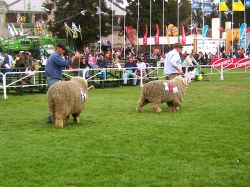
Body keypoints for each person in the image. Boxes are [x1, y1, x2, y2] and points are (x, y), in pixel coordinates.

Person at [45, 44, 80, 123]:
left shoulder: (55, 56)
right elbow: (65, 63)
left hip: (53, 79)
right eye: (63, 50)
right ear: (59, 49)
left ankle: (52, 117)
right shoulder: (55, 56)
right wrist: (74, 57)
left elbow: (65, 63)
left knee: (55, 99)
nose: (64, 52)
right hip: (53, 79)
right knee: (59, 98)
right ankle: (57, 117)